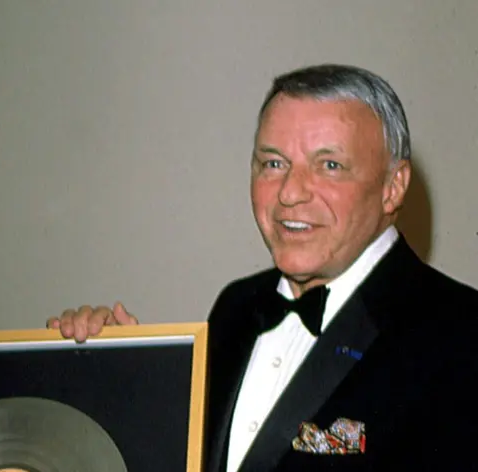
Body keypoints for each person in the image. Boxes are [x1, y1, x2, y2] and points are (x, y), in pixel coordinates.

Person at [50, 64, 478, 471]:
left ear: (393, 187)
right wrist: (116, 375)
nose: (290, 192)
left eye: (329, 166)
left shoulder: (462, 332)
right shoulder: (236, 306)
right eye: (273, 163)